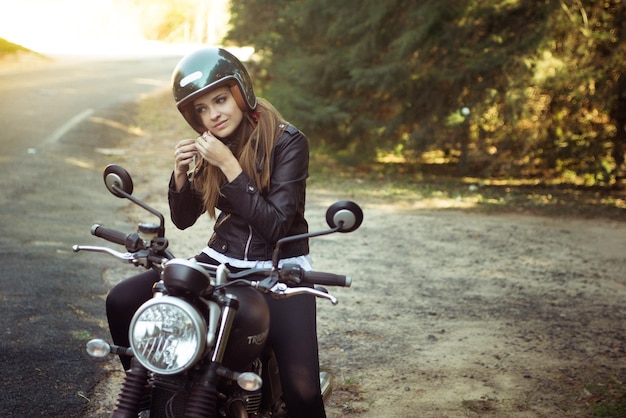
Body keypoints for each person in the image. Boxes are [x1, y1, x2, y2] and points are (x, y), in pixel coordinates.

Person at [105, 46, 326, 417]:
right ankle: (148, 396)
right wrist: (179, 175)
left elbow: (274, 225)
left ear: (241, 93)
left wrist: (230, 167)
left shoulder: (288, 142)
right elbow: (184, 219)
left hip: (278, 268)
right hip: (219, 260)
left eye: (220, 100)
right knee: (124, 300)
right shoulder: (212, 145)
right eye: (202, 110)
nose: (213, 115)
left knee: (303, 392)